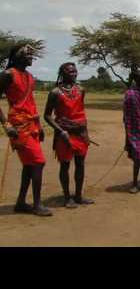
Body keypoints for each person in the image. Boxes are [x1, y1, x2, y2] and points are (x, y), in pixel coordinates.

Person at [0, 44, 51, 216]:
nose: (30, 55)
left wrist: (39, 125)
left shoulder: (29, 76)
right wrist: (6, 125)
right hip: (18, 125)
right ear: (15, 56)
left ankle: (21, 203)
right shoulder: (8, 75)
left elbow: (30, 102)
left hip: (32, 124)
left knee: (29, 165)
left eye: (32, 53)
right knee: (38, 162)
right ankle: (37, 205)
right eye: (26, 52)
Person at [44, 62, 94, 208]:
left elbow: (80, 111)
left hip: (80, 132)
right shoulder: (55, 92)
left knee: (80, 164)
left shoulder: (81, 90)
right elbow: (47, 116)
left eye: (75, 71)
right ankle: (67, 198)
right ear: (62, 73)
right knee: (65, 165)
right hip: (64, 134)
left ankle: (78, 196)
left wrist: (85, 131)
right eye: (70, 71)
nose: (73, 73)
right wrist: (61, 131)